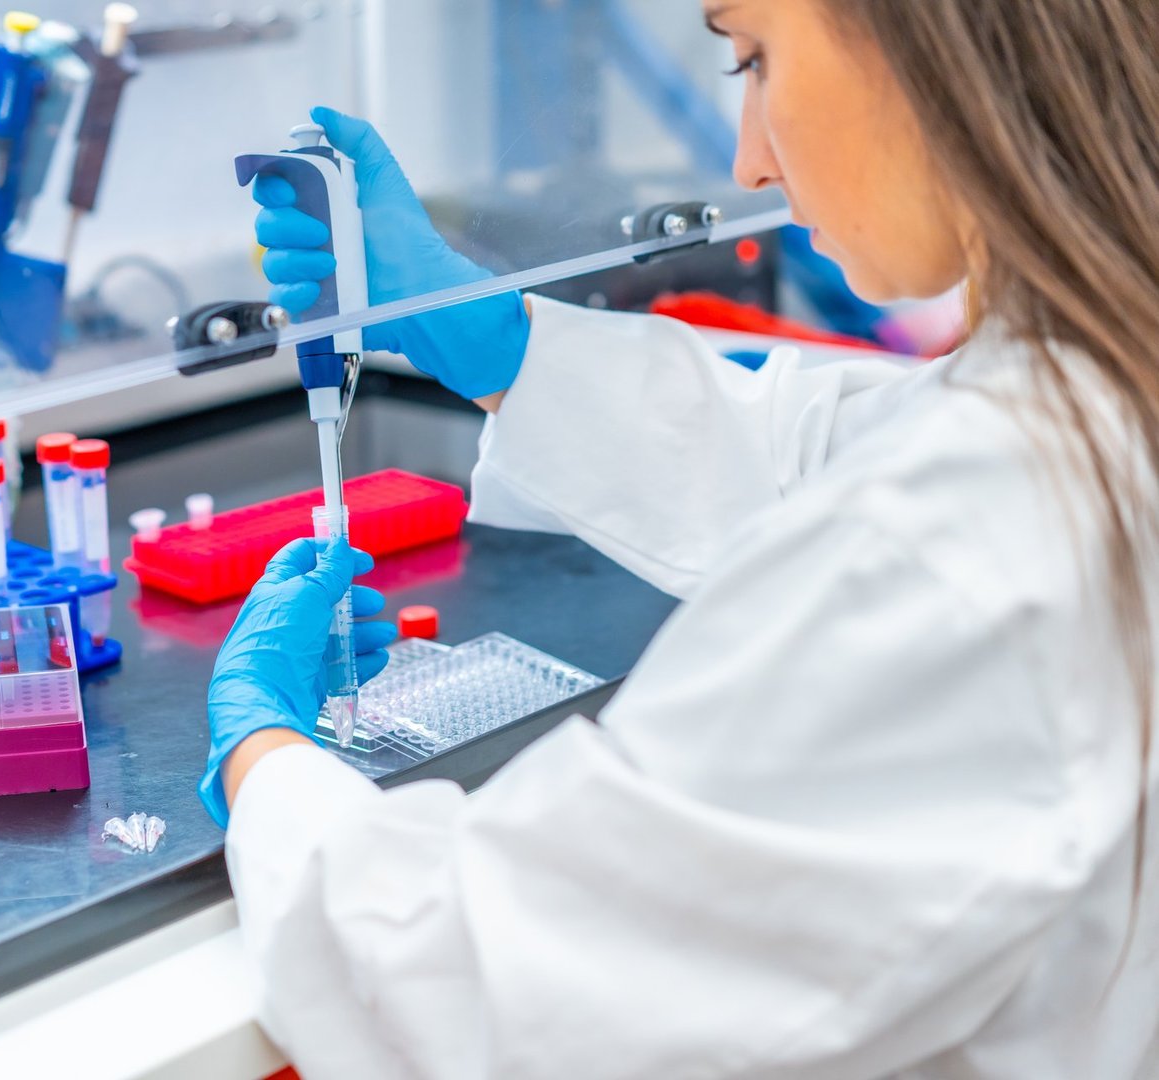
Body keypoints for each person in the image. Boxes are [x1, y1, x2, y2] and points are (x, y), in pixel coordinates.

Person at [200, 1, 1159, 1075]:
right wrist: (506, 347)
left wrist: (264, 757)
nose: (751, 160)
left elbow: (487, 992)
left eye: (754, 58)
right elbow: (832, 451)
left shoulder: (974, 530)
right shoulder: (1107, 382)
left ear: (937, 44)